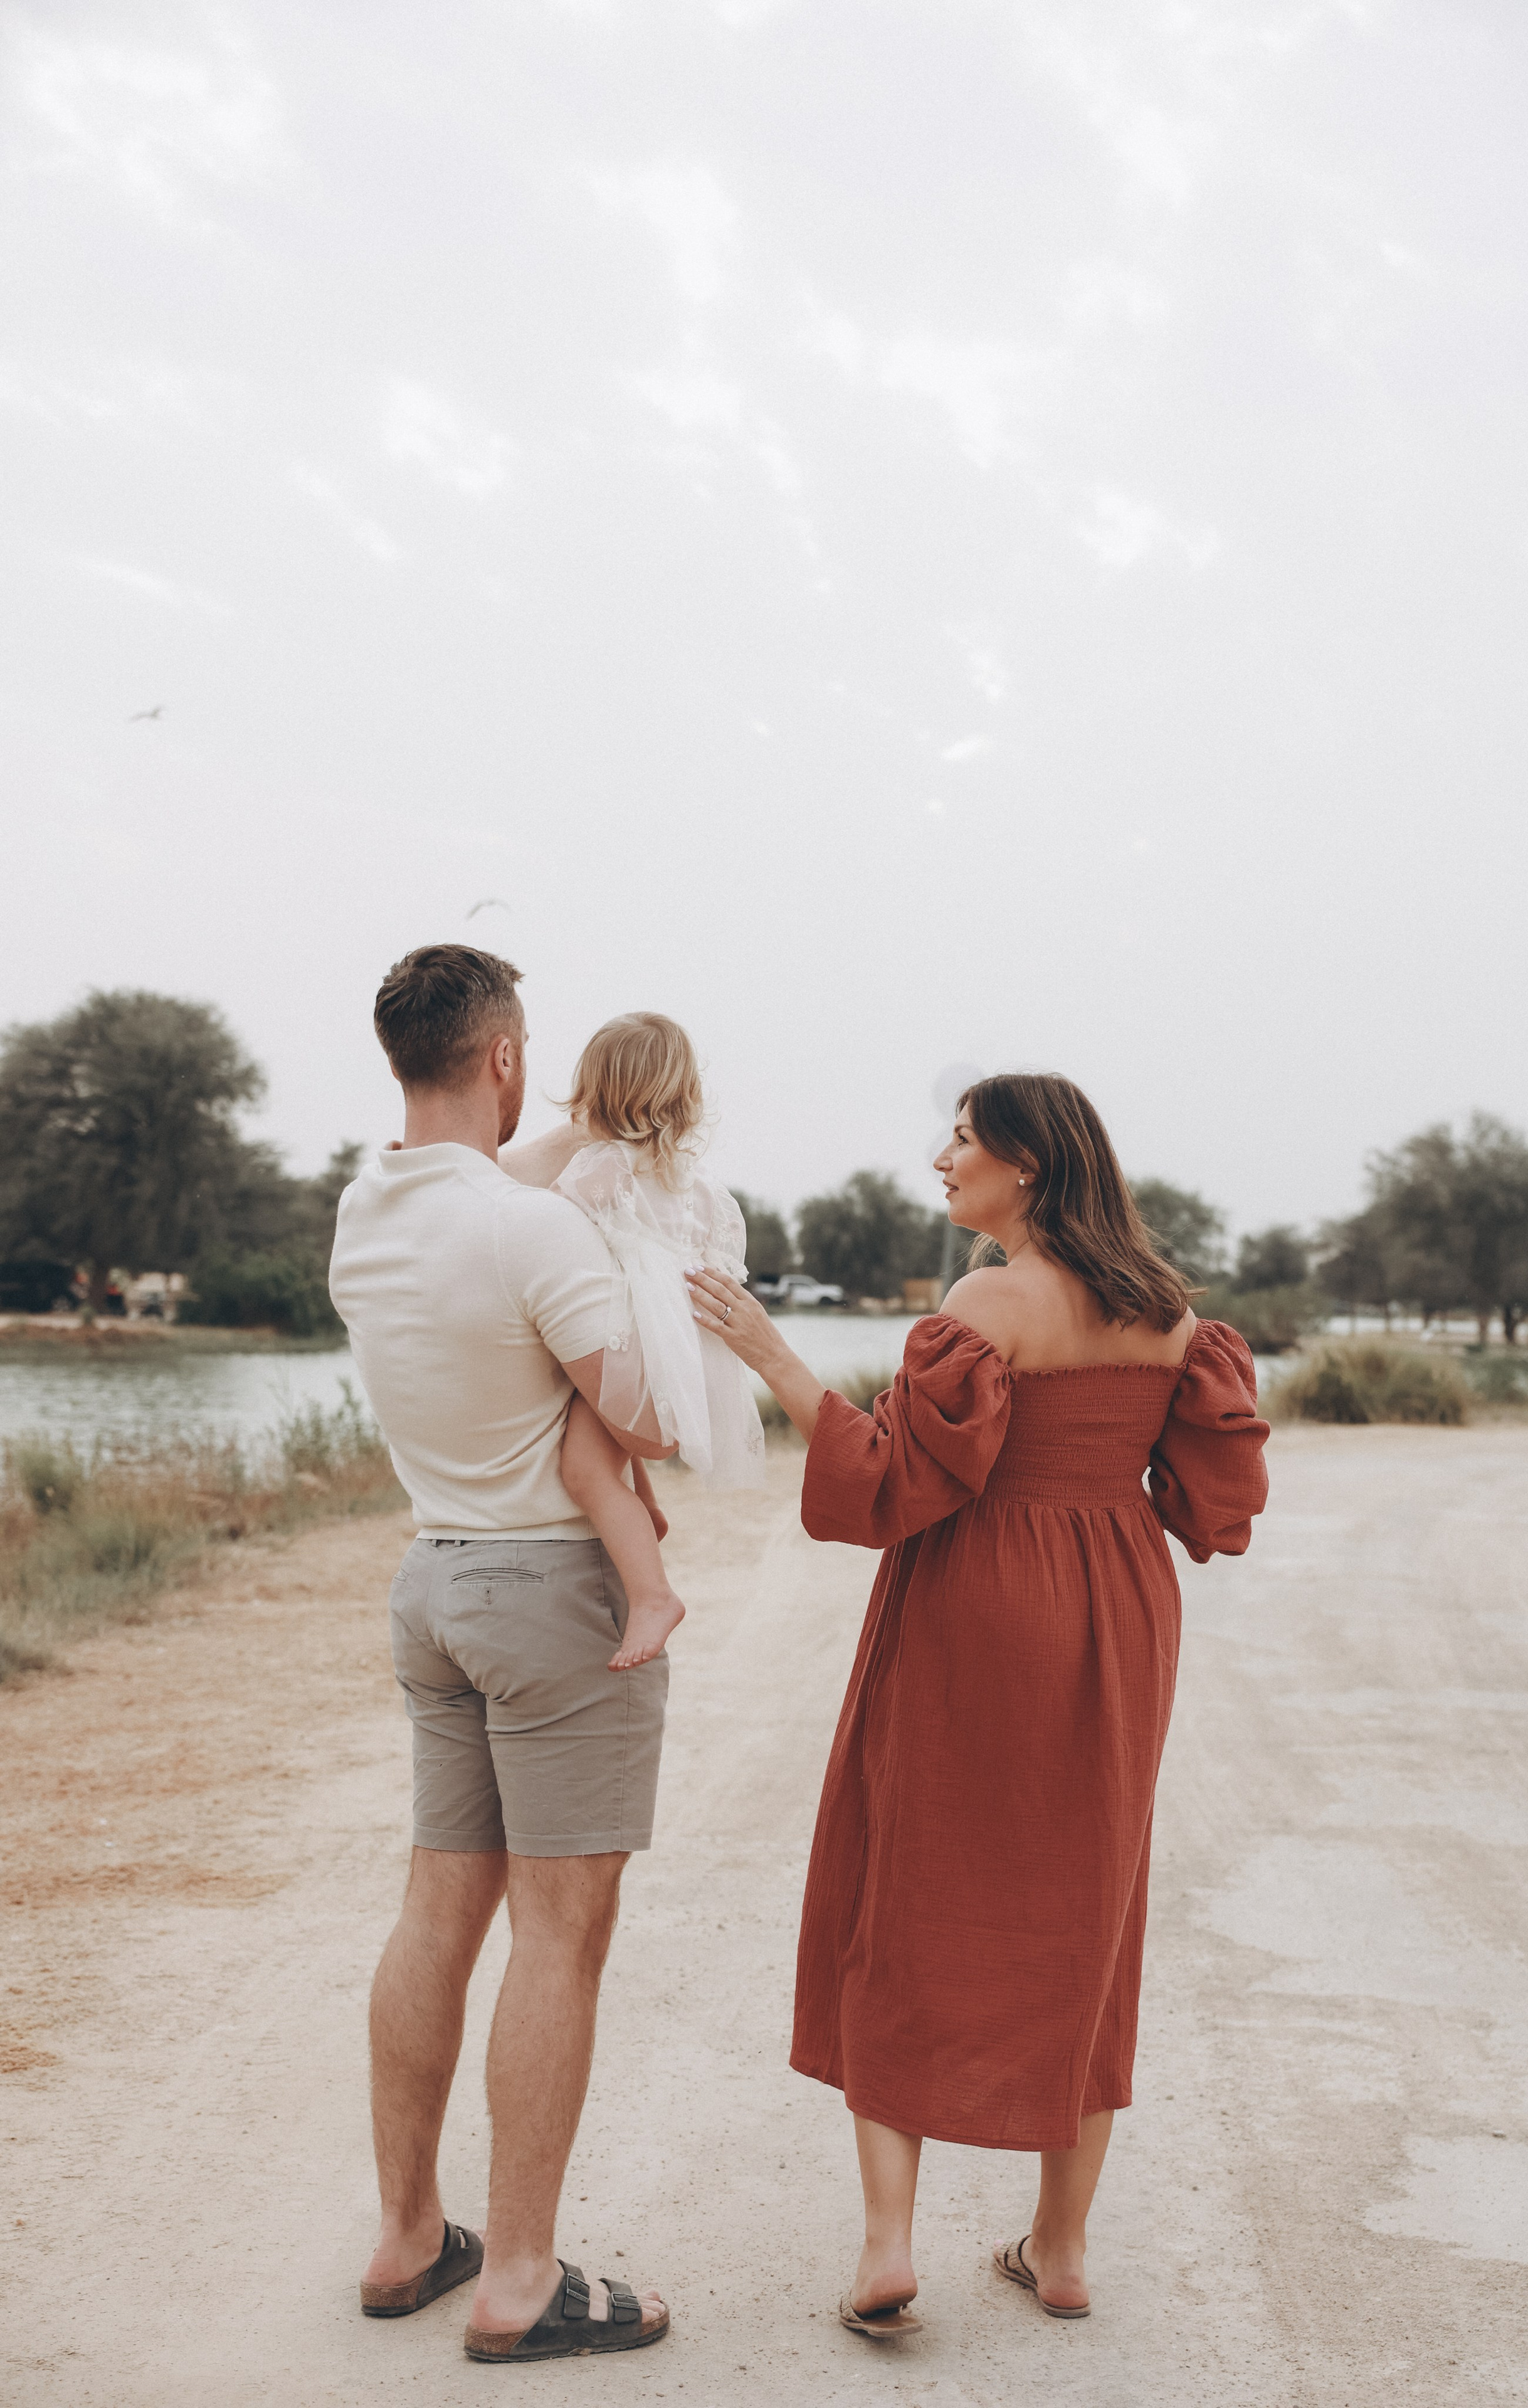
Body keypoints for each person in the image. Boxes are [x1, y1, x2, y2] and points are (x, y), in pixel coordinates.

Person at [687, 1071, 1269, 2339]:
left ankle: (888, 2247)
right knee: (1090, 1902)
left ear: (1028, 1165)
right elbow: (1212, 1505)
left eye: (963, 1142)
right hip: (1119, 1607)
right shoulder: (1170, 1316)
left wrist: (769, 1353)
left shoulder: (984, 1301)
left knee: (908, 1888)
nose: (940, 1160)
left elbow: (895, 1483)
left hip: (977, 1595)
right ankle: (1058, 2250)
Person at [328, 944, 671, 2365]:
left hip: (433, 1579)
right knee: (558, 1930)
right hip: (547, 1597)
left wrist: (579, 1133)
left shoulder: (363, 1212)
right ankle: (521, 2275)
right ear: (505, 1056)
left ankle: (409, 2228)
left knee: (434, 1912)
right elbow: (642, 1414)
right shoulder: (534, 1236)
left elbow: (491, 1175)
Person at [501, 1011, 764, 1671]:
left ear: (596, 1092)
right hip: (680, 1353)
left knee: (583, 1468)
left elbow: (525, 1211)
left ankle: (653, 1595)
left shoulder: (597, 1173)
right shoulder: (705, 1191)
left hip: (636, 1345)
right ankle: (644, 1506)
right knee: (606, 1410)